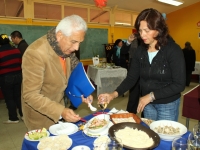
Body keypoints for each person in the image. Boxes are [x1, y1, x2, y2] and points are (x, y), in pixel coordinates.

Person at [98, 8, 186, 121]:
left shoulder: (173, 50)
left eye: (147, 30)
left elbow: (179, 84)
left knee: (164, 137)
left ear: (159, 30)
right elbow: (131, 78)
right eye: (140, 31)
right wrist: (113, 95)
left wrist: (151, 96)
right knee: (150, 135)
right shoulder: (141, 51)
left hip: (167, 104)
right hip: (147, 104)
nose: (142, 35)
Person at [22, 15, 93, 131]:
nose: (76, 48)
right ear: (59, 35)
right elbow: (30, 95)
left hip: (59, 109)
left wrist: (83, 91)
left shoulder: (66, 49)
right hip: (40, 118)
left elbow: (72, 75)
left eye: (80, 42)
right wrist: (60, 111)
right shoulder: (35, 53)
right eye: (74, 42)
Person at [0, 34, 23, 123]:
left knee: (9, 98)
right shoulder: (16, 50)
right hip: (18, 76)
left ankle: (13, 118)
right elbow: (20, 63)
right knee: (18, 97)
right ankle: (23, 115)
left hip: (6, 78)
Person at [120, 33, 140, 114]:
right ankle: (129, 116)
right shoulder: (134, 37)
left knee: (147, 100)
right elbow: (123, 51)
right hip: (134, 69)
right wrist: (128, 41)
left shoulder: (150, 37)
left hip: (147, 71)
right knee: (133, 97)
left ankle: (145, 120)